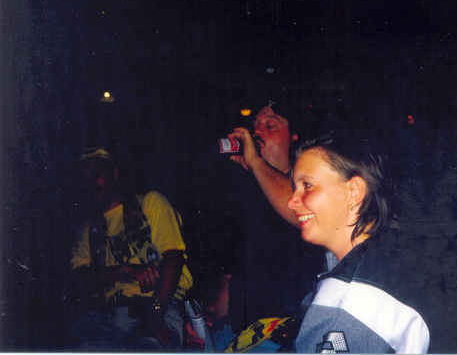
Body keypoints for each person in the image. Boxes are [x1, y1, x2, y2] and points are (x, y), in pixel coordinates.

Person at [287, 129, 430, 353]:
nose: (291, 201)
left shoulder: (353, 300)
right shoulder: (384, 253)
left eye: (307, 185)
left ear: (354, 192)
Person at [206, 99, 324, 351]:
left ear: (294, 137)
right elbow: (236, 258)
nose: (257, 132)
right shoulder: (245, 187)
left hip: (280, 334)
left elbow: (300, 210)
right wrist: (218, 303)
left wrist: (256, 164)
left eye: (270, 126)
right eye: (255, 126)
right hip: (237, 329)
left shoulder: (310, 185)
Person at [68, 147, 193, 350]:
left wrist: (155, 312)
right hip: (104, 317)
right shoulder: (88, 228)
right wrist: (124, 270)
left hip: (157, 305)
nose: (90, 183)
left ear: (114, 174)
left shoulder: (149, 203)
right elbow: (79, 280)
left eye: (97, 174)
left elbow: (173, 258)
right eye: (84, 179)